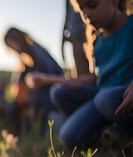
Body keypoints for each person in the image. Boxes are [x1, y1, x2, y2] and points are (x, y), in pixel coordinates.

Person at [27, 0, 133, 149]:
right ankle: (109, 131)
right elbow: (96, 78)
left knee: (104, 99)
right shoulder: (98, 42)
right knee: (62, 106)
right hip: (102, 97)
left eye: (93, 5)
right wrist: (47, 80)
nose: (87, 14)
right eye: (82, 10)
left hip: (119, 97)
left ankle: (124, 131)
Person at [3, 27, 64, 136]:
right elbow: (19, 81)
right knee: (16, 104)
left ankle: (18, 135)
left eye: (12, 45)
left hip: (51, 91)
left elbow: (50, 74)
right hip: (40, 92)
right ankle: (12, 135)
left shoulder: (36, 52)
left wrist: (28, 91)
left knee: (27, 101)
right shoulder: (25, 58)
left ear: (18, 40)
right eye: (10, 47)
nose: (13, 49)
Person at [62, 0, 91, 76]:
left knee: (92, 73)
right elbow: (67, 16)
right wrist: (63, 40)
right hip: (75, 38)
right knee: (81, 74)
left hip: (88, 37)